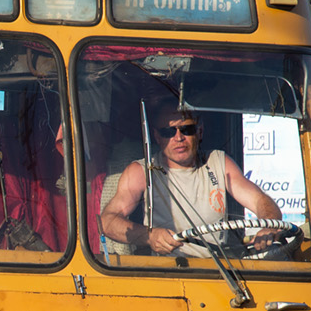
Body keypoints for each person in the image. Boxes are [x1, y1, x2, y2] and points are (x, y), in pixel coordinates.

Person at [99, 103, 281, 257]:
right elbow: (108, 221)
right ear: (157, 137)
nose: (178, 138)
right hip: (166, 273)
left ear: (200, 131)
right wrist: (149, 236)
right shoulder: (141, 171)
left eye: (187, 129)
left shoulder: (218, 162)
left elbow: (259, 200)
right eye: (168, 132)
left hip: (220, 272)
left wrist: (270, 226)